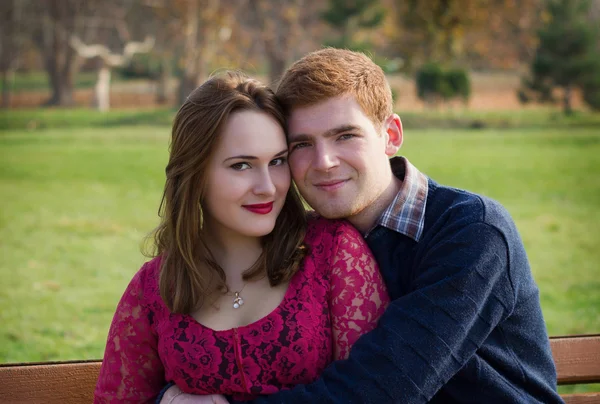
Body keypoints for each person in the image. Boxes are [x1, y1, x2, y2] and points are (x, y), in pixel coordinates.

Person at [164, 49, 564, 403]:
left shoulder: (472, 232)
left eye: (344, 136)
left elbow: (382, 389)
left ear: (390, 136)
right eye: (302, 144)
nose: (324, 162)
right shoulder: (304, 246)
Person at [93, 72, 390, 403]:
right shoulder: (154, 288)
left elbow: (371, 391)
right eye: (241, 166)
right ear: (195, 175)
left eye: (277, 161)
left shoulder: (333, 252)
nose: (268, 186)